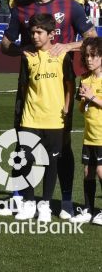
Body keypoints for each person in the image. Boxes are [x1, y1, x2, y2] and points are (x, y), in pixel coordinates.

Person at [1, 0, 96, 219]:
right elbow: (5, 45)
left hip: (60, 88)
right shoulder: (20, 9)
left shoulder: (71, 7)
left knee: (62, 147)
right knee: (24, 146)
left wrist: (67, 46)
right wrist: (26, 49)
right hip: (30, 88)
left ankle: (64, 201)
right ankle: (21, 198)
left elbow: (93, 39)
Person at [13, 14, 74, 223]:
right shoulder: (27, 55)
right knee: (25, 160)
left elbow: (69, 84)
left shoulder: (62, 55)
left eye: (39, 32)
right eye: (32, 32)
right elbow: (23, 86)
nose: (35, 36)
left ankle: (45, 204)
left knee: (51, 163)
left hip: (54, 119)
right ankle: (29, 202)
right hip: (30, 118)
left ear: (51, 34)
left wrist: (66, 107)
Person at [73, 37, 102, 225]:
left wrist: (93, 97)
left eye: (93, 56)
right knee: (88, 171)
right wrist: (84, 100)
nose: (89, 59)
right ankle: (88, 209)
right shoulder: (85, 79)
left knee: (101, 171)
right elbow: (82, 109)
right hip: (89, 135)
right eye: (86, 56)